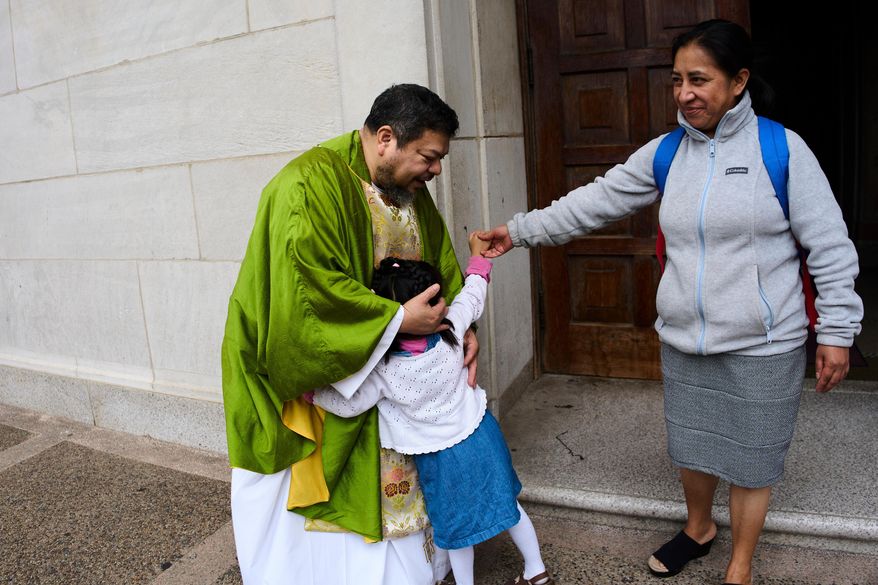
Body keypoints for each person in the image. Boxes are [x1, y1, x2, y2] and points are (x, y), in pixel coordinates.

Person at [478, 19, 863, 585]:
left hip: (765, 339)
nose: (685, 93)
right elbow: (596, 199)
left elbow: (829, 244)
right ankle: (700, 529)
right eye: (678, 79)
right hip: (686, 335)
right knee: (692, 447)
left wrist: (836, 331)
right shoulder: (666, 153)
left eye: (700, 80)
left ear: (739, 82)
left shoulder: (781, 149)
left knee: (753, 459)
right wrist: (519, 230)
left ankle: (740, 565)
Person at [222, 83, 480, 585]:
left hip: (391, 377)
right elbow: (307, 291)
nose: (436, 171)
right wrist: (399, 321)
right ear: (386, 138)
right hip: (319, 382)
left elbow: (442, 263)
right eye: (429, 156)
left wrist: (456, 328)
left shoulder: (409, 189)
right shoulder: (305, 187)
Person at [312, 232, 553, 585]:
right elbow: (474, 292)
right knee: (508, 506)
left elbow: (350, 405)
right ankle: (537, 571)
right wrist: (477, 258)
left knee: (454, 528)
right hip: (481, 434)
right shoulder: (452, 328)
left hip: (441, 457)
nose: (442, 303)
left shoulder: (385, 368)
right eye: (437, 297)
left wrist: (310, 395)